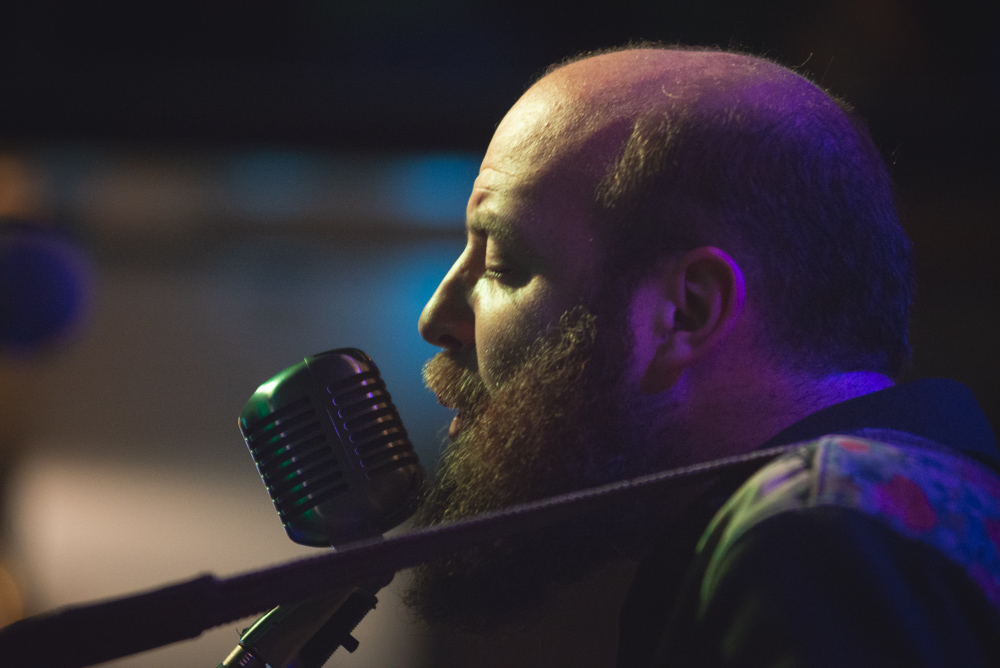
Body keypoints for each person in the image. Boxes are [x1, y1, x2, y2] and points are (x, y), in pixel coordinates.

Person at [408, 45, 1000, 666]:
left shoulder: (811, 530)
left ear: (685, 312)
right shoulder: (904, 515)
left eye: (502, 264)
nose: (435, 317)